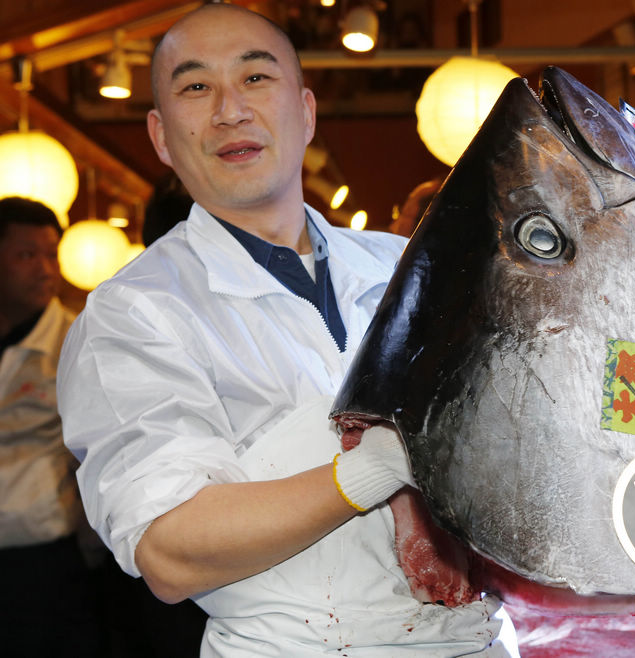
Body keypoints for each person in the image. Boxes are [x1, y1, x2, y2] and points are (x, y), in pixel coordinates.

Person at [56, 4, 511, 656]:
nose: (229, 110)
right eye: (194, 87)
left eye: (255, 78)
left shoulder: (407, 264)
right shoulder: (132, 314)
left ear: (307, 112)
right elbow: (169, 550)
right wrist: (376, 466)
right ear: (160, 136)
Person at [0, 197, 101, 656]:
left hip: (49, 556)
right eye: (26, 255)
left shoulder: (76, 341)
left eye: (51, 254)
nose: (45, 269)